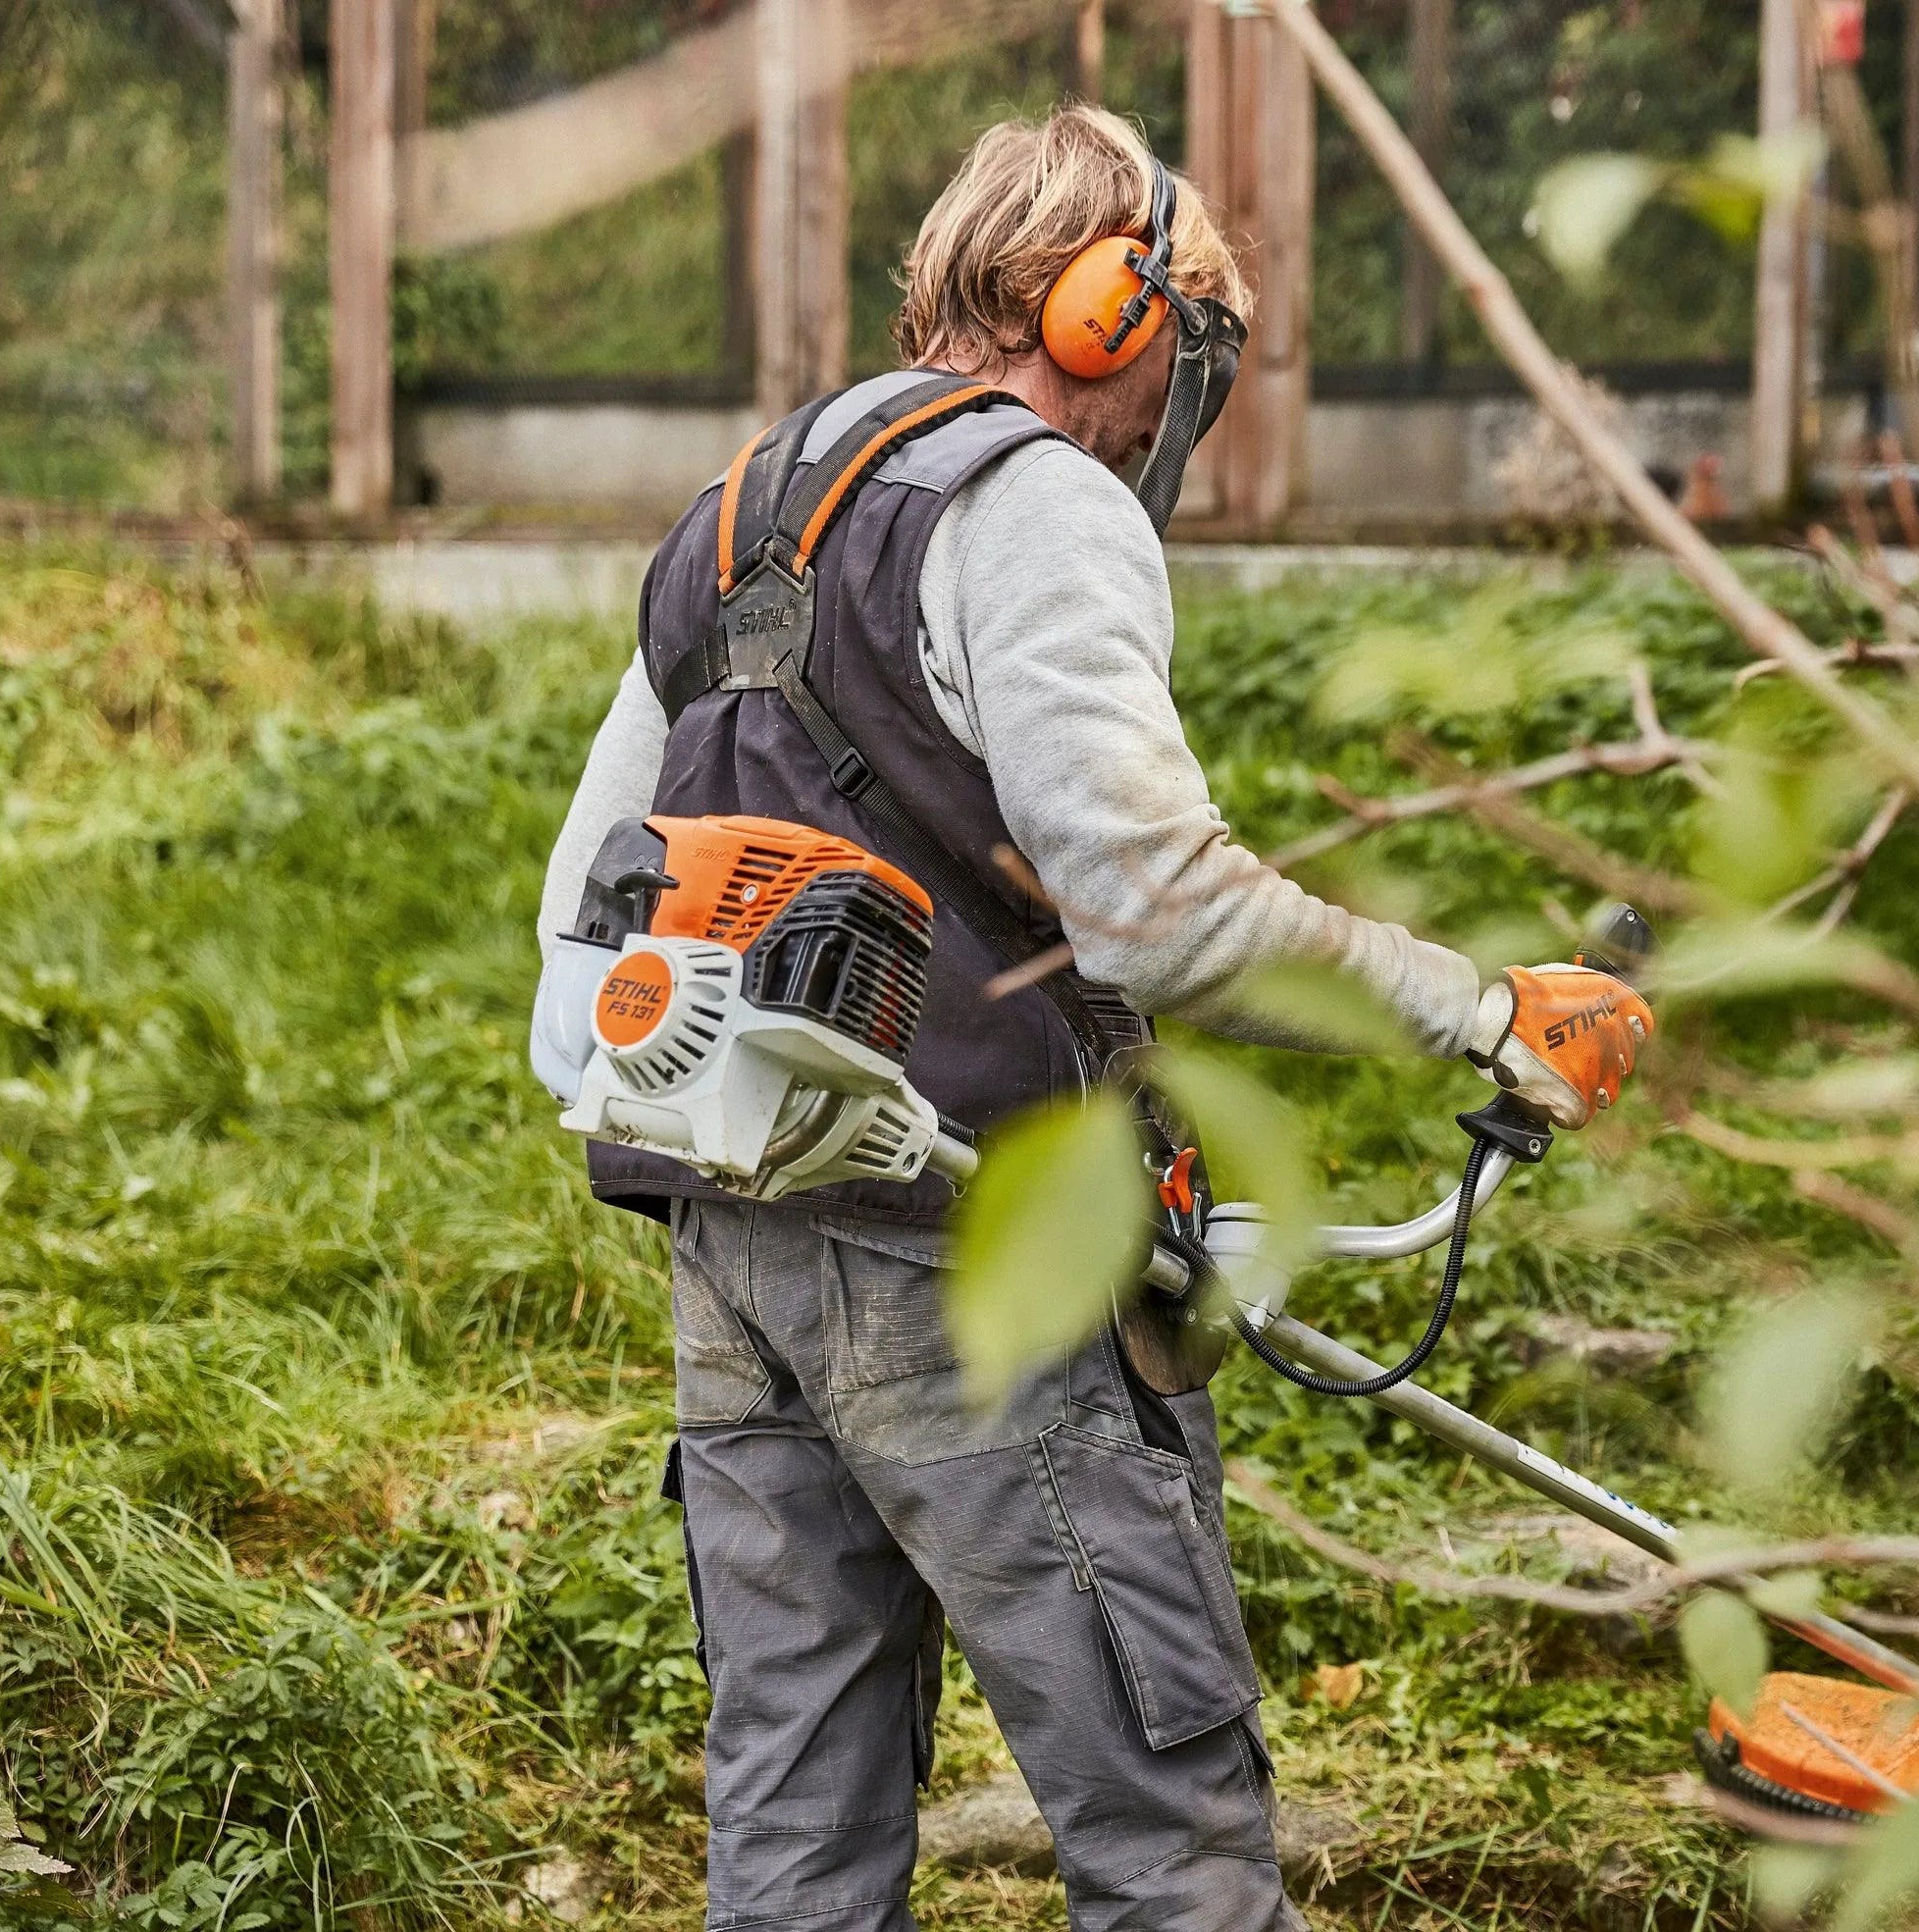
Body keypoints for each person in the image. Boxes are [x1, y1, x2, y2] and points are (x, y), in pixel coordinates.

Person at [531, 104, 1649, 1932]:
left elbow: (580, 940)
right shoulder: (1032, 502)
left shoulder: (744, 502)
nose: (1166, 411)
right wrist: (1481, 1009)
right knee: (1169, 1836)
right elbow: (1161, 911)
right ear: (1103, 315)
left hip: (731, 1260)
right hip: (983, 1265)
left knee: (793, 1845)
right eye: (1177, 348)